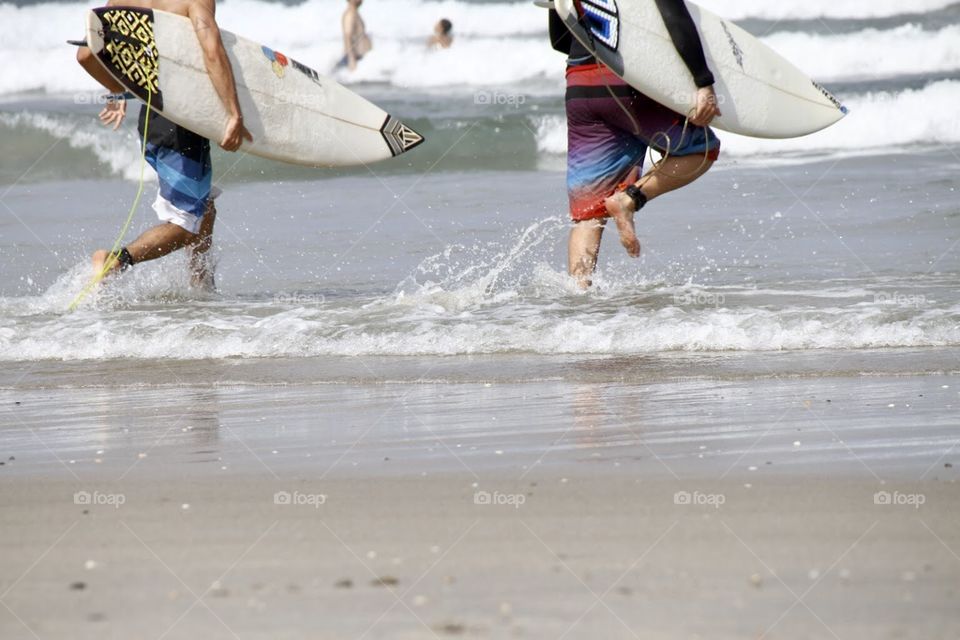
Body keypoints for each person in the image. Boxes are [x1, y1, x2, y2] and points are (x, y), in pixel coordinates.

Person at [76, 0, 252, 289]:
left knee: (203, 208)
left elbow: (86, 55)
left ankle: (202, 287)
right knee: (185, 225)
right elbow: (212, 51)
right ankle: (116, 260)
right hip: (181, 123)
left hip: (152, 121)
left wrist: (117, 91)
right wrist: (234, 112)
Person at [549, 0, 721, 287]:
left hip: (580, 86)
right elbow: (673, 15)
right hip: (627, 79)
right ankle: (629, 199)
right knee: (702, 150)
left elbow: (561, 39)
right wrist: (703, 81)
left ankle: (578, 300)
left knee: (589, 214)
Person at [336, 0, 372, 71]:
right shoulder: (350, 15)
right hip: (353, 60)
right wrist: (351, 60)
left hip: (358, 59)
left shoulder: (354, 13)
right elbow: (347, 37)